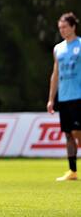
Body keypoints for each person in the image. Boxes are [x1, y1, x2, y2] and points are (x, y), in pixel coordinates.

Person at [47, 12, 81, 181]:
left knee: (77, 132)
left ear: (73, 26)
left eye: (65, 27)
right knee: (68, 133)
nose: (62, 30)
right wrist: (51, 99)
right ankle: (72, 171)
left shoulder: (80, 45)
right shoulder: (58, 48)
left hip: (79, 96)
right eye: (60, 28)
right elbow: (55, 73)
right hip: (64, 97)